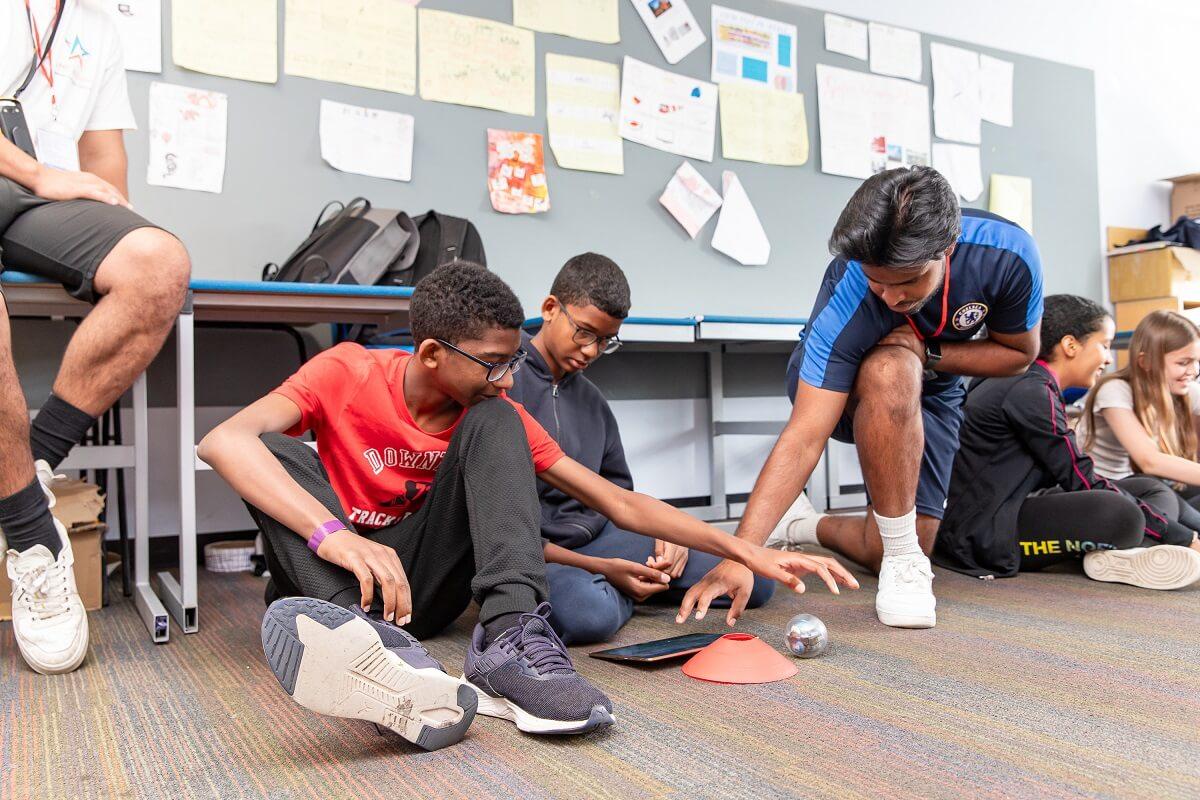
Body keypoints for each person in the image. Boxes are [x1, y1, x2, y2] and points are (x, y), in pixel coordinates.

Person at [199, 262, 857, 749]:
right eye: (491, 363)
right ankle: (371, 655)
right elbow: (221, 440)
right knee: (269, 448)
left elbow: (618, 503)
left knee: (498, 423)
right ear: (430, 353)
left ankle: (509, 644)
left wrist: (743, 547)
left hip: (417, 589)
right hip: (340, 578)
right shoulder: (345, 372)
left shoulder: (495, 411)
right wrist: (335, 538)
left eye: (512, 360)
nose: (508, 378)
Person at [681, 166, 1043, 630]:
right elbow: (806, 434)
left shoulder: (1007, 255)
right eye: (879, 282)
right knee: (891, 365)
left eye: (907, 281)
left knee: (901, 541)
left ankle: (803, 525)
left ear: (947, 249)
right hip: (847, 388)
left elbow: (1018, 355)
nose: (891, 298)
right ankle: (900, 554)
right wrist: (743, 552)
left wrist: (930, 352)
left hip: (935, 384)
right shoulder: (849, 292)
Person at [1, 0, 191, 675]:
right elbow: (49, 169)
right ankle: (28, 535)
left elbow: (103, 156)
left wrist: (120, 230)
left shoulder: (98, 23)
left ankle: (32, 473)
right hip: (23, 178)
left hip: (41, 205)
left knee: (160, 263)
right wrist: (34, 171)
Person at [507, 253, 774, 645]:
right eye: (584, 332)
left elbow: (623, 498)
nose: (592, 351)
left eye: (605, 341)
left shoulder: (593, 401)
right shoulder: (504, 383)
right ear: (550, 308)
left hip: (601, 537)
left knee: (752, 577)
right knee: (587, 613)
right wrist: (603, 568)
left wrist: (674, 538)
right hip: (543, 555)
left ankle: (627, 583)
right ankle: (625, 587)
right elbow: (501, 531)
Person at [934, 294, 1200, 587]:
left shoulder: (1028, 381)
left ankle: (1129, 552)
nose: (1109, 358)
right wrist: (1182, 536)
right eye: (1105, 345)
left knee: (1150, 488)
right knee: (1123, 515)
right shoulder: (1030, 390)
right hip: (983, 533)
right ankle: (1143, 546)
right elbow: (1082, 479)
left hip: (1015, 503)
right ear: (1070, 345)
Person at [1078, 310, 1200, 525]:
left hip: (1147, 486)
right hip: (1105, 490)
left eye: (1197, 362)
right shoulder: (1115, 390)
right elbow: (1149, 461)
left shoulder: (1186, 390)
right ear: (1146, 362)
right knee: (1164, 496)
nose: (1194, 371)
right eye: (1183, 363)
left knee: (1168, 494)